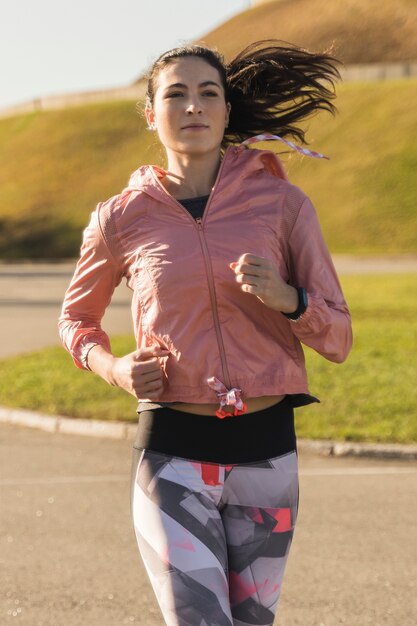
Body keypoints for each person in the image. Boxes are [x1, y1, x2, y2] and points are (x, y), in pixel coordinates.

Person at [59, 40, 352, 626]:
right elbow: (76, 319)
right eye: (176, 94)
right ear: (151, 113)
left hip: (266, 457)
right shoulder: (119, 217)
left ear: (225, 111)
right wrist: (112, 368)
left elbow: (338, 336)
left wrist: (289, 300)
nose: (193, 106)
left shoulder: (282, 203)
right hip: (172, 453)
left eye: (208, 93)